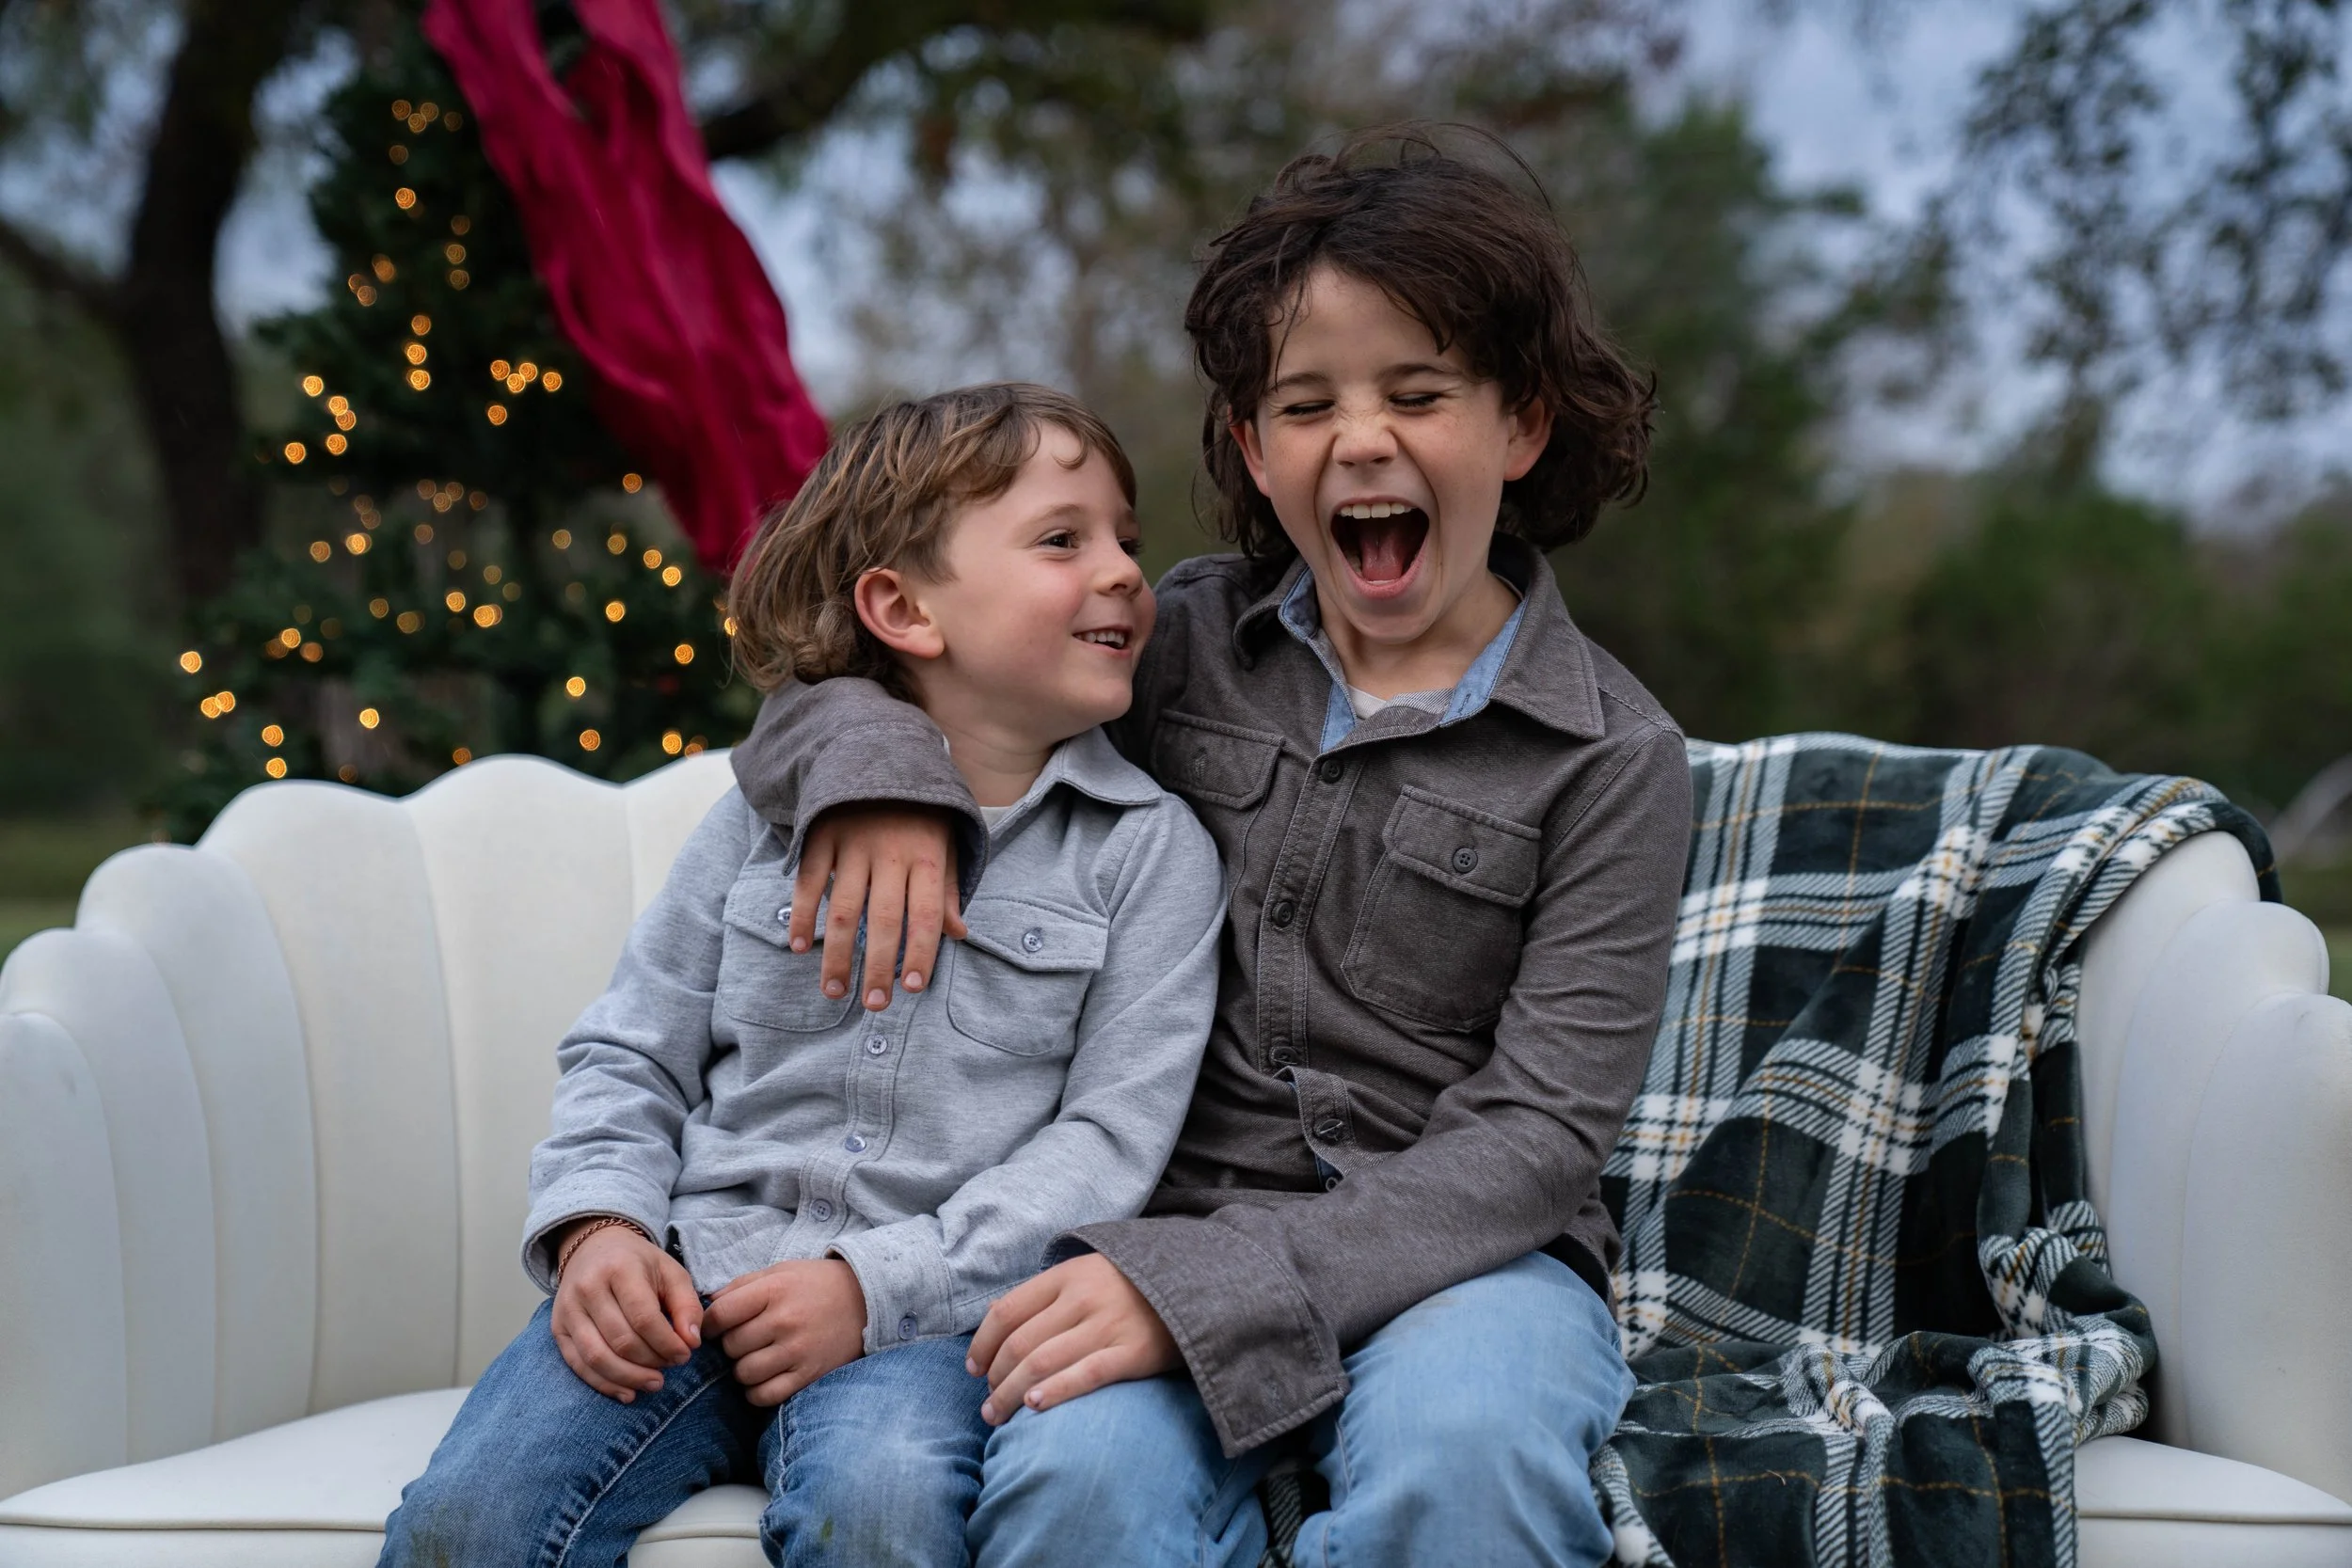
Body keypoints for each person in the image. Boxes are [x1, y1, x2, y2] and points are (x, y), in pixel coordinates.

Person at [732, 129, 1692, 1567]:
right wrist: (877, 772)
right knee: (1075, 1488)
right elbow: (863, 675)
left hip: (1470, 1264)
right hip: (1152, 1236)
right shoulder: (1177, 642)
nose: (1360, 438)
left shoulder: (1614, 755)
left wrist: (1241, 1280)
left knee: (1470, 1465)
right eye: (1306, 403)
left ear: (1522, 424)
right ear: (1253, 445)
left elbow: (1539, 1138)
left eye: (1418, 392)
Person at [377, 382, 1226, 1568]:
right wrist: (599, 1229)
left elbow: (1109, 1140)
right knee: (469, 1519)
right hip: (681, 1284)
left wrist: (872, 1283)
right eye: (1061, 539)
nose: (1128, 571)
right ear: (903, 606)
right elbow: (633, 1046)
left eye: (1125, 538)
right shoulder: (760, 824)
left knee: (878, 1515)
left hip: (927, 1328)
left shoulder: (1149, 855)